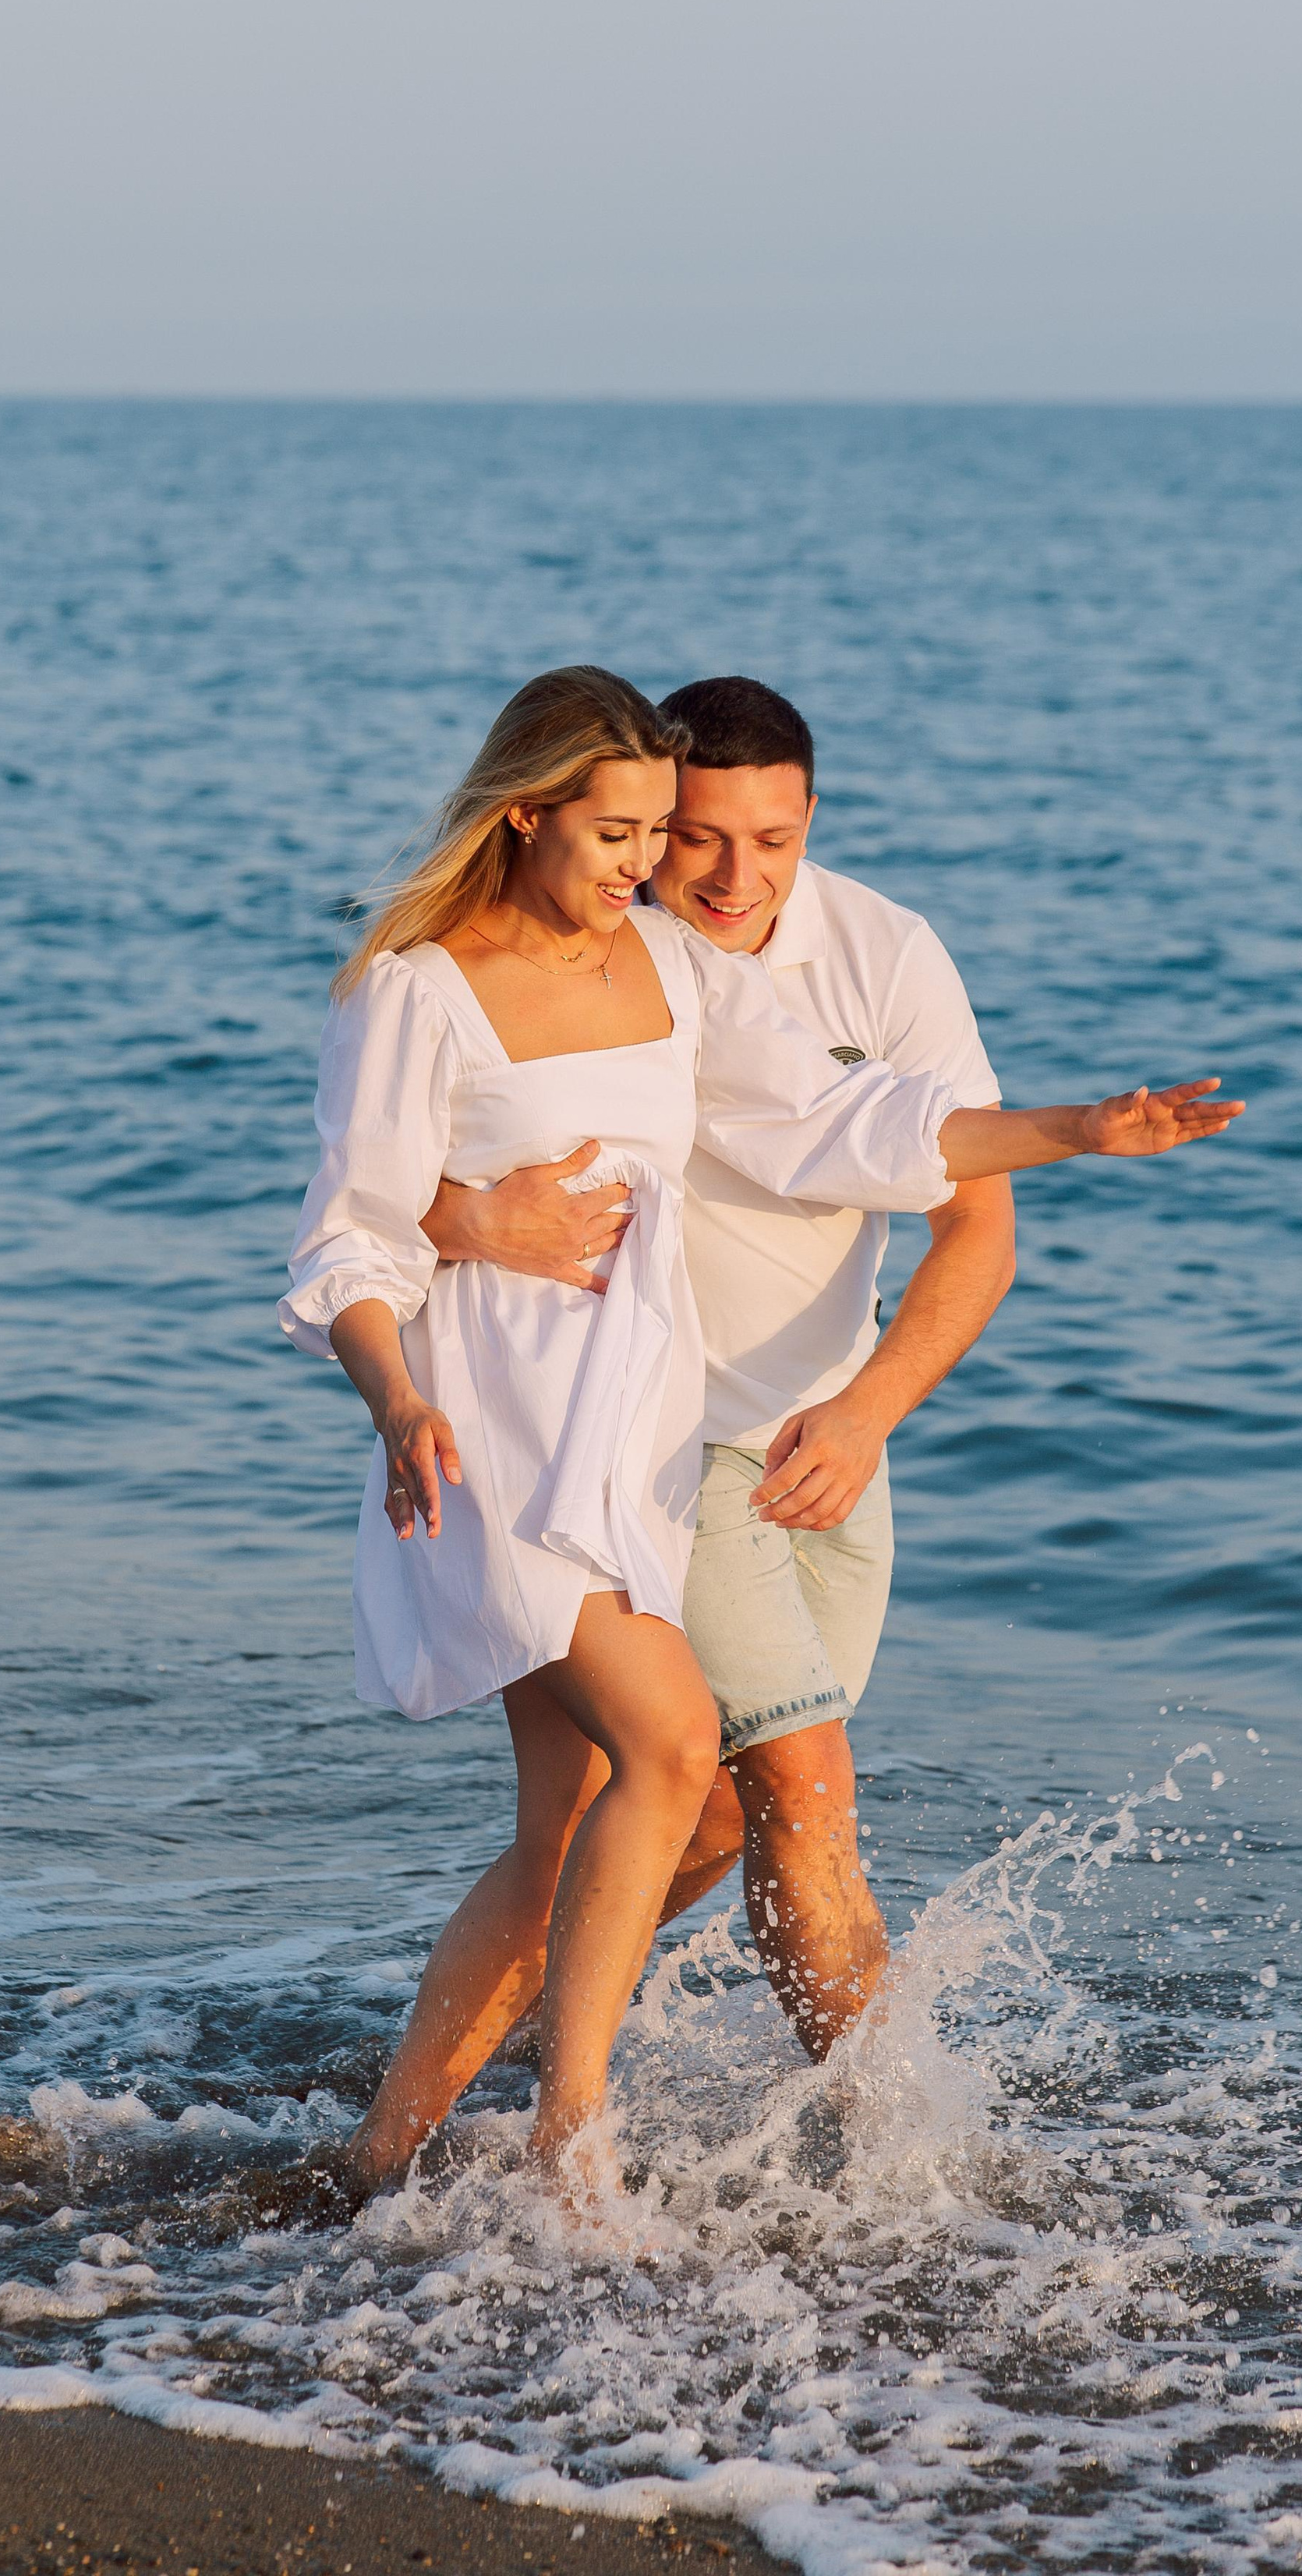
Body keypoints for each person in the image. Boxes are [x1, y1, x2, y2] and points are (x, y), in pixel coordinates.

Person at [283, 665, 1239, 2198]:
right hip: (488, 1436)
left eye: (651, 834)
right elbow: (347, 1240)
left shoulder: (669, 962)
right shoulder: (417, 988)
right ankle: (571, 2141)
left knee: (570, 1828)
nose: (643, 868)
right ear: (523, 816)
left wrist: (1073, 1128)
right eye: (618, 835)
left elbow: (838, 1125)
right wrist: (396, 1396)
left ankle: (374, 2161)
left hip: (630, 1450)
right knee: (671, 1752)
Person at [422, 674, 1015, 2059]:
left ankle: (429, 2113)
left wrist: (868, 1416)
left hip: (827, 1441)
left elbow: (969, 1223)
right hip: (647, 1450)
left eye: (778, 841)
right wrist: (464, 1218)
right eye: (696, 839)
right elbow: (384, 1174)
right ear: (646, 821)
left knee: (707, 1820)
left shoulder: (884, 951)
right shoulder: (581, 947)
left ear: (813, 823)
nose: (735, 877)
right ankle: (890, 2163)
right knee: (804, 1791)